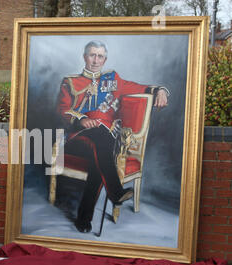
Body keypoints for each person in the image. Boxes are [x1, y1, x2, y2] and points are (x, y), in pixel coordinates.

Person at [56, 40, 169, 233]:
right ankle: (116, 192)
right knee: (101, 135)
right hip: (78, 137)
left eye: (100, 56)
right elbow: (62, 109)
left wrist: (161, 90)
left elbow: (140, 88)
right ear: (85, 57)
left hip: (103, 143)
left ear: (105, 59)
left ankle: (84, 218)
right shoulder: (71, 82)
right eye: (92, 55)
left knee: (99, 156)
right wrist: (81, 120)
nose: (96, 60)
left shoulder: (113, 80)